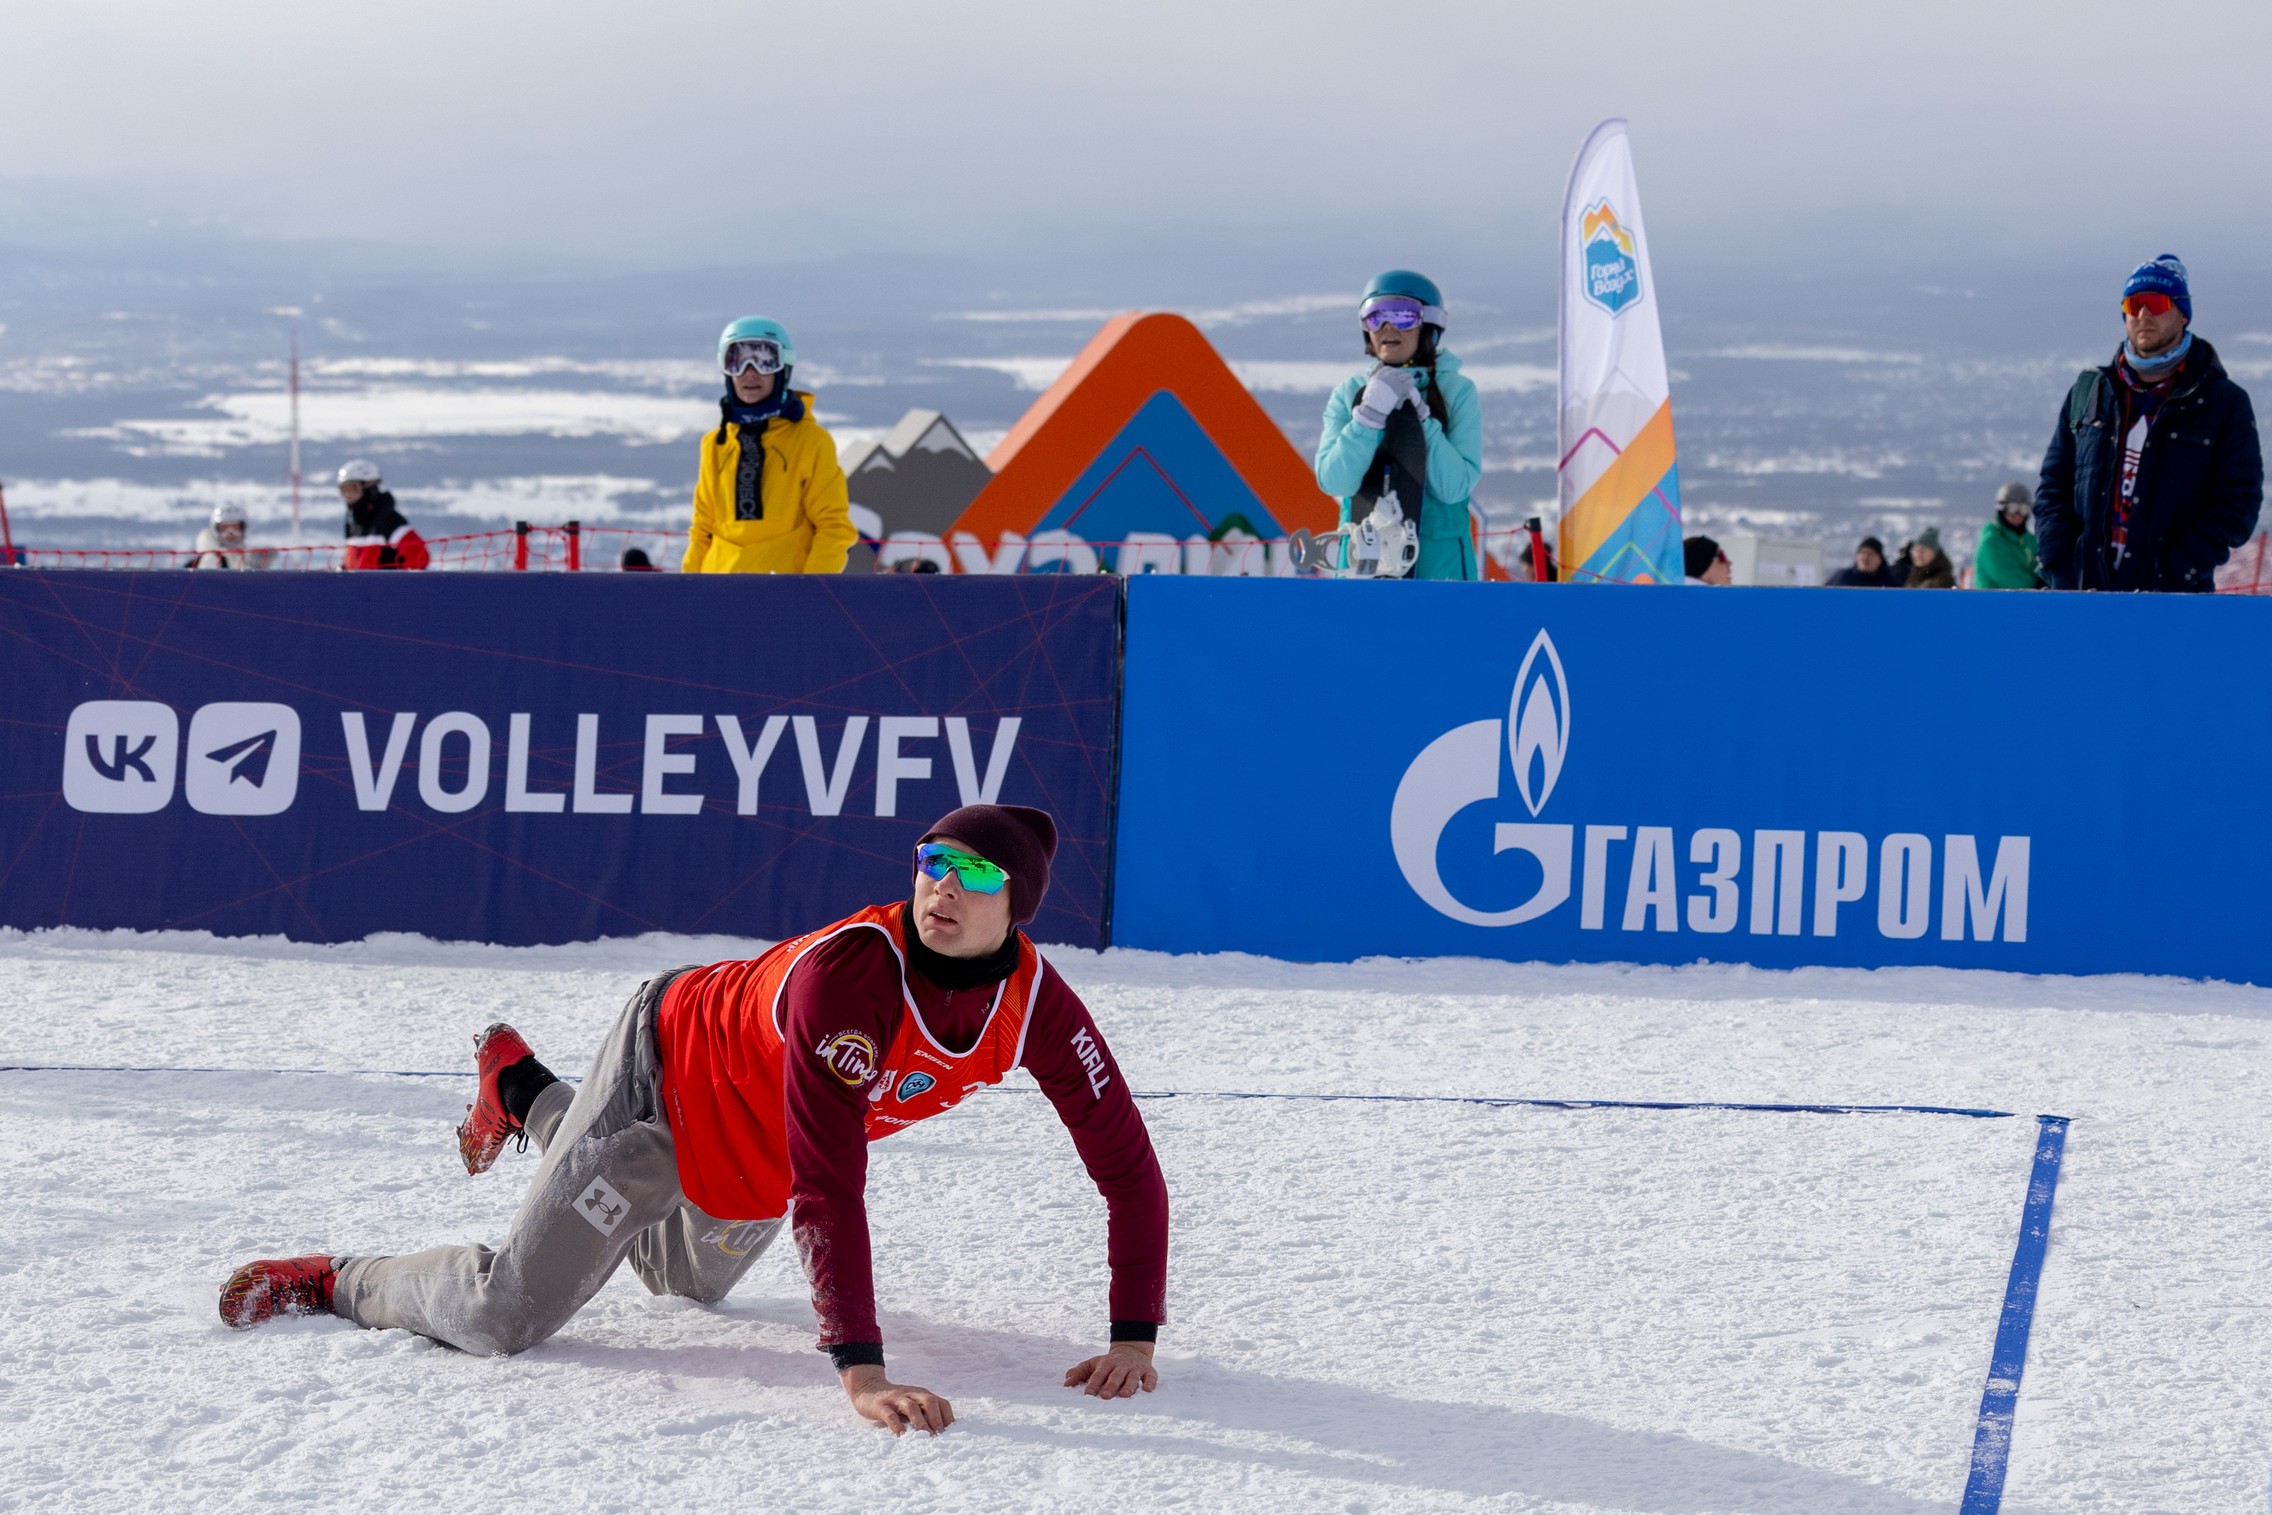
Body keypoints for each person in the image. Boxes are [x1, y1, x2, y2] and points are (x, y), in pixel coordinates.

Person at [217, 804, 1168, 1438]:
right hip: (660, 1089)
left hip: (758, 1144)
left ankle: (521, 1091)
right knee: (505, 1311)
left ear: (1021, 905)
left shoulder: (1039, 1004)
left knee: (679, 1279)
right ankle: (332, 1279)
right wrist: (862, 1373)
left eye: (971, 871)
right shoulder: (854, 976)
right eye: (930, 861)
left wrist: (1134, 1336)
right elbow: (831, 1183)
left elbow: (1128, 1166)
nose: (942, 887)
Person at [2036, 255, 2263, 592]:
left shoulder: (2222, 402)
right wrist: (2059, 563)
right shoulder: (2092, 392)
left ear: (2182, 313)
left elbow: (2238, 500)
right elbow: (2054, 485)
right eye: (2134, 303)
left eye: (2156, 303)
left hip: (2171, 602)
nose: (2143, 315)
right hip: (2084, 595)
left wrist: (2181, 567)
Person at [1314, 271, 1486, 580]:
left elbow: (1453, 488)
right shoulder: (1349, 394)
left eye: (1404, 315)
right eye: (1375, 316)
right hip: (1362, 570)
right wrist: (1366, 419)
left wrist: (1423, 420)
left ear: (1429, 326)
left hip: (1439, 575)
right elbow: (1335, 481)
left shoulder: (1457, 392)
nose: (1387, 327)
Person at [683, 317, 857, 575]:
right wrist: (687, 593)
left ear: (782, 368)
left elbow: (834, 528)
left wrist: (811, 593)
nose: (750, 372)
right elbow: (703, 530)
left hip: (786, 595)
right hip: (719, 593)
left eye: (764, 361)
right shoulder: (715, 444)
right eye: (737, 362)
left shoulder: (810, 441)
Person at [337, 461, 430, 570]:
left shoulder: (390, 520)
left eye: (352, 489)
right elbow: (354, 563)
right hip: (359, 586)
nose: (348, 496)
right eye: (343, 490)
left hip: (384, 586)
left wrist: (393, 579)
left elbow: (419, 557)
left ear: (369, 488)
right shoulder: (353, 524)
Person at [1973, 484, 2041, 590]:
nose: (2018, 515)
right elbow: (2009, 578)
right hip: (1994, 602)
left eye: (2023, 509)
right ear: (2002, 509)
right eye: (2013, 508)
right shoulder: (1991, 541)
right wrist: (2037, 585)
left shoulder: (2030, 540)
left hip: (2025, 601)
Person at [190, 501, 267, 569]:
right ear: (215, 530)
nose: (230, 533)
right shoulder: (213, 559)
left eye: (235, 527)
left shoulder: (245, 557)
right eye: (225, 528)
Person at [1825, 536, 1900, 587]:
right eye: (1863, 553)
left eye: (1870, 554)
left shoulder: (1890, 584)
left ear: (1880, 559)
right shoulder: (1842, 577)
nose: (1865, 557)